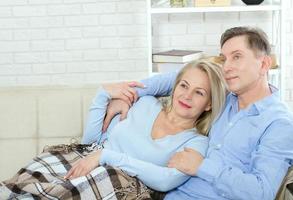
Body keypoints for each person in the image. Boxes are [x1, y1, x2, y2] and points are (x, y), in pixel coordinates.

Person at [103, 26, 293, 200]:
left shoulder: (280, 124)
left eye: (237, 56)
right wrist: (128, 95)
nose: (227, 67)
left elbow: (262, 192)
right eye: (224, 59)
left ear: (264, 64)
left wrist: (201, 167)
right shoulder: (224, 98)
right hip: (163, 191)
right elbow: (179, 78)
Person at [0, 60, 227, 199]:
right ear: (175, 87)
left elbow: (165, 181)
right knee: (20, 188)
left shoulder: (196, 142)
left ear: (209, 104)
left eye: (199, 92)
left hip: (115, 183)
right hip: (81, 159)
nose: (187, 95)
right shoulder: (146, 104)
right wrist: (102, 94)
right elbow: (92, 142)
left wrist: (107, 156)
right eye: (184, 86)